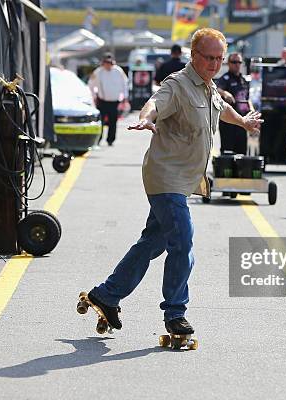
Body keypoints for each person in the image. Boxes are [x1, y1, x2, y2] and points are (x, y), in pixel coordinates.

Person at [83, 28, 263, 336]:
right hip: (165, 178)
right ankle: (175, 313)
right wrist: (147, 118)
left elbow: (222, 108)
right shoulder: (178, 84)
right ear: (193, 56)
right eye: (210, 58)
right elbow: (155, 102)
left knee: (153, 243)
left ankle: (107, 294)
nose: (215, 64)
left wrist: (244, 122)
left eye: (220, 58)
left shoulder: (209, 87)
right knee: (183, 241)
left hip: (184, 181)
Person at [216, 52, 253, 155]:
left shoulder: (244, 80)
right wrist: (225, 93)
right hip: (229, 122)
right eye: (234, 62)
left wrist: (252, 110)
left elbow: (247, 98)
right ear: (228, 63)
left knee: (241, 153)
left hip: (242, 121)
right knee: (228, 153)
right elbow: (215, 89)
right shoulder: (225, 78)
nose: (237, 64)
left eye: (239, 62)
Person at [88, 53, 128, 146]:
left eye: (110, 63)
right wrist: (94, 95)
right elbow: (91, 84)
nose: (108, 65)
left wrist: (125, 97)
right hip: (102, 100)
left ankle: (111, 140)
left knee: (113, 121)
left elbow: (124, 84)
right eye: (106, 63)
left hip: (114, 101)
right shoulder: (98, 72)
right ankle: (98, 139)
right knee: (100, 121)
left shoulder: (118, 71)